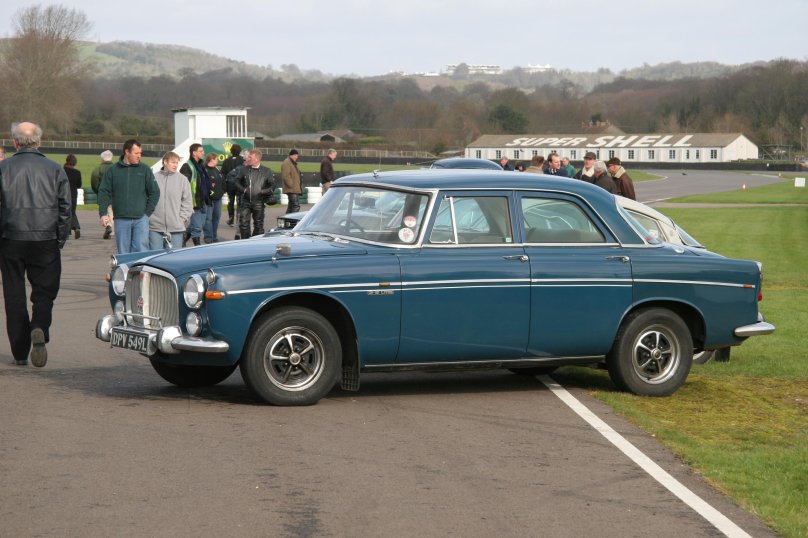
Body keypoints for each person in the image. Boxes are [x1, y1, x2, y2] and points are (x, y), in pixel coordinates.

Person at [0, 122, 71, 367]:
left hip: (11, 238)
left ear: (15, 142)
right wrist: (59, 238)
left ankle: (20, 350)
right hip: (45, 238)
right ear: (38, 142)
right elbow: (65, 208)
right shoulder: (54, 169)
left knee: (14, 294)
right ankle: (39, 325)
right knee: (44, 292)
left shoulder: (4, 168)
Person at [97, 139, 160, 254]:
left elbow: (155, 192)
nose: (139, 156)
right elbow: (103, 192)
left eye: (140, 153)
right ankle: (125, 272)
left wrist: (146, 213)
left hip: (141, 219)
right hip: (121, 219)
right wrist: (103, 214)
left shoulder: (145, 170)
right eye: (136, 153)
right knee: (124, 252)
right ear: (127, 152)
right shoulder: (113, 170)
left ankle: (140, 272)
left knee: (141, 251)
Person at [149, 151, 193, 250]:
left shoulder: (183, 180)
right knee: (155, 258)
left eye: (177, 163)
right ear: (165, 162)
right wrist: (149, 217)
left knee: (173, 259)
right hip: (155, 227)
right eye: (173, 162)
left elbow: (187, 202)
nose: (175, 165)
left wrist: (181, 219)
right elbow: (146, 199)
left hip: (176, 228)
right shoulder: (153, 178)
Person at [233, 149, 275, 239]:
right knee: (243, 224)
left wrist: (262, 191)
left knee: (258, 225)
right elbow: (236, 182)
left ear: (256, 159)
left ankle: (256, 243)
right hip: (245, 201)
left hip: (259, 202)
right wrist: (243, 190)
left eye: (250, 157)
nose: (247, 159)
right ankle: (245, 242)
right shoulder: (243, 169)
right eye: (248, 157)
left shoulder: (267, 171)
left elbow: (272, 186)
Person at [180, 143, 211, 246]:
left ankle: (182, 241)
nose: (203, 153)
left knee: (197, 225)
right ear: (194, 153)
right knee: (197, 227)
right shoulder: (187, 166)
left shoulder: (201, 165)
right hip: (194, 202)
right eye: (201, 151)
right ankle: (197, 248)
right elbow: (184, 185)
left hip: (203, 200)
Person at [91, 150, 114, 239]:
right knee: (112, 211)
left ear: (102, 158)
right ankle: (111, 227)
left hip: (103, 194)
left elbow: (94, 182)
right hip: (115, 195)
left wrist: (98, 191)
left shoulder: (97, 169)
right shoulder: (116, 168)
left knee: (106, 210)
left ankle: (108, 225)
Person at [203, 153, 224, 243]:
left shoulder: (216, 169)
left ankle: (214, 236)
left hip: (218, 198)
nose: (217, 161)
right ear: (211, 160)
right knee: (208, 219)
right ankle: (208, 237)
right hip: (209, 199)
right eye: (216, 159)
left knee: (216, 217)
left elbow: (221, 181)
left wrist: (223, 191)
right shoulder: (205, 170)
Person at [221, 144, 243, 226]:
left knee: (231, 201)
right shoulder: (242, 160)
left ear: (231, 151)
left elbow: (222, 173)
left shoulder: (227, 161)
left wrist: (224, 185)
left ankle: (231, 218)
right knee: (239, 201)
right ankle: (238, 218)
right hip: (239, 184)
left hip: (230, 184)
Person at [63, 154, 82, 239]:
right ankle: (76, 227)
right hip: (74, 195)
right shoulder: (77, 173)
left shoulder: (62, 171)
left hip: (63, 194)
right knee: (72, 212)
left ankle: (67, 231)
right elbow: (79, 185)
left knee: (64, 212)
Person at [281, 148, 302, 214]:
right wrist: (292, 185)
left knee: (291, 206)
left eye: (297, 155)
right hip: (292, 189)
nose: (297, 157)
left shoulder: (292, 163)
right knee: (296, 206)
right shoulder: (287, 163)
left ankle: (286, 221)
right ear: (291, 155)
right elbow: (286, 176)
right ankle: (293, 221)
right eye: (295, 155)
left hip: (294, 188)